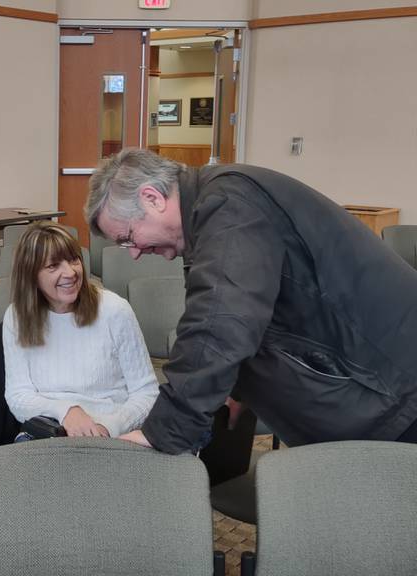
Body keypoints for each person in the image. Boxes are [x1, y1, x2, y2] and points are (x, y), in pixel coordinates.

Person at [86, 148, 417, 454]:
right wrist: (238, 388)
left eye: (128, 237)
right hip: (379, 391)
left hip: (394, 391)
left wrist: (162, 432)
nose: (134, 253)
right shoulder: (215, 207)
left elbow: (220, 322)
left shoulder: (229, 205)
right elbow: (261, 312)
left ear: (152, 198)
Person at [2, 221, 159, 439]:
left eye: (73, 260)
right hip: (48, 431)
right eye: (53, 266)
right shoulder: (16, 316)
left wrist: (108, 427)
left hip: (111, 431)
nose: (70, 272)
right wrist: (66, 411)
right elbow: (18, 396)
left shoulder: (114, 310)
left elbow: (146, 393)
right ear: (31, 275)